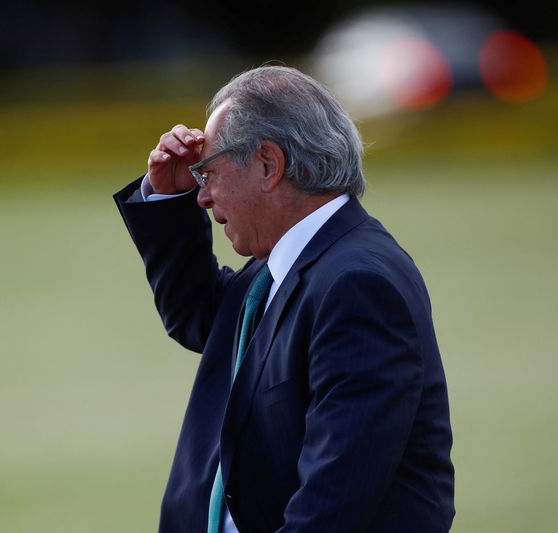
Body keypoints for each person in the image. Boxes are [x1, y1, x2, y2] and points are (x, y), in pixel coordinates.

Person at [113, 66, 454, 533]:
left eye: (208, 171)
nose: (204, 196)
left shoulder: (356, 285)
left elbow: (333, 502)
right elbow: (197, 317)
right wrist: (167, 195)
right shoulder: (287, 264)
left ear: (269, 164)